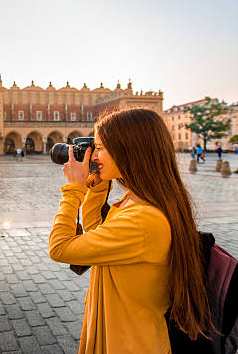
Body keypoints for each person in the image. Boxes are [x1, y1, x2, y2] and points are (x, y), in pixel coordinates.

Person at [49, 108, 210, 353]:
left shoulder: (143, 219)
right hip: (117, 335)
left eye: (101, 147)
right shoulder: (136, 200)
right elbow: (97, 234)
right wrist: (96, 184)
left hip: (129, 344)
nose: (95, 154)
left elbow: (60, 248)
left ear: (129, 150)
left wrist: (74, 190)